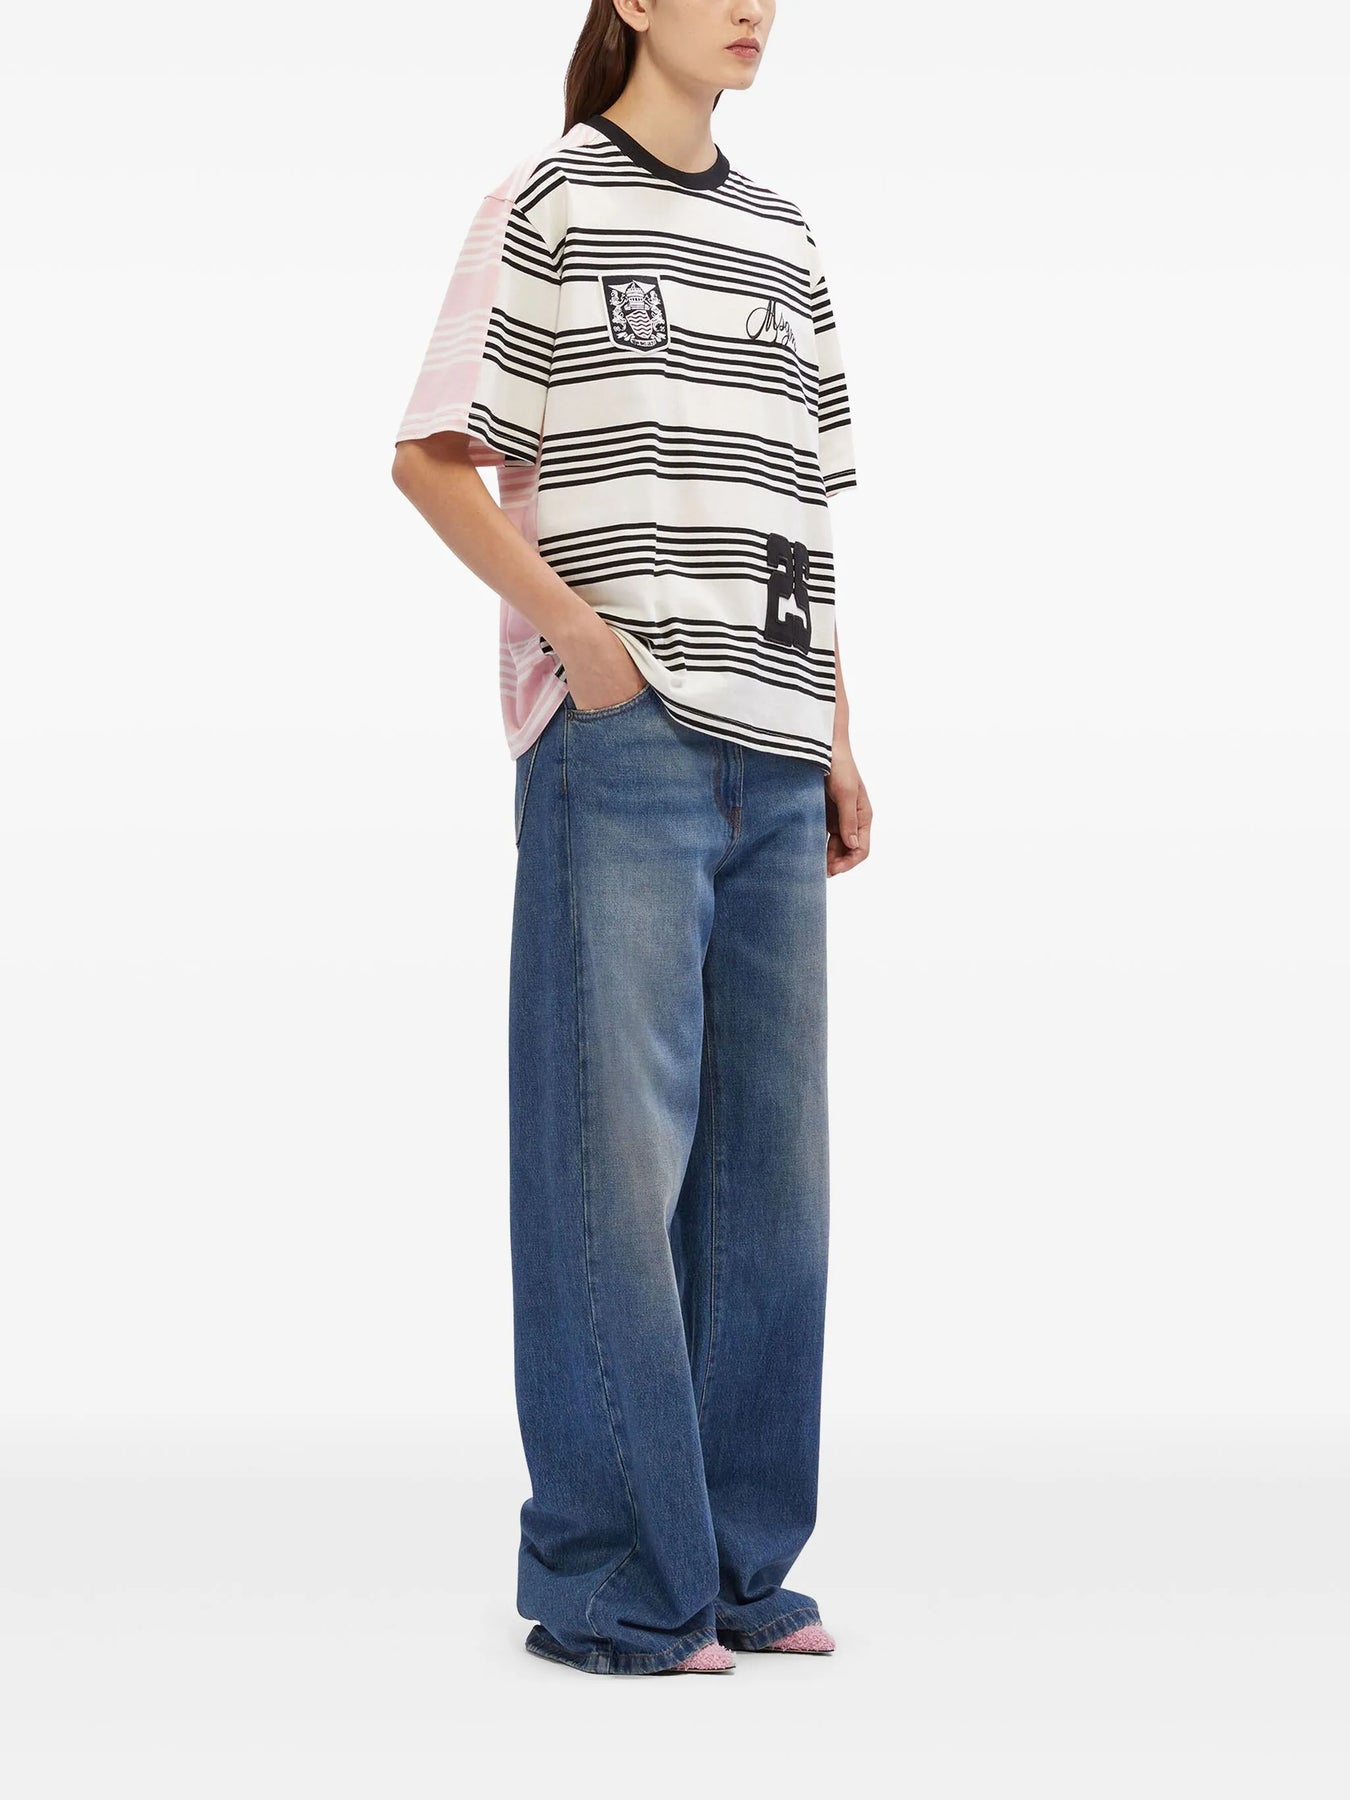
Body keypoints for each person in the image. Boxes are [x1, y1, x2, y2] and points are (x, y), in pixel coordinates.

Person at [390, 0, 872, 1677]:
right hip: (626, 743)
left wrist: (838, 731)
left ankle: (731, 1564)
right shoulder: (550, 200)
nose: (753, 8)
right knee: (612, 1166)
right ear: (631, 4)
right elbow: (430, 458)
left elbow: (794, 515)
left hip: (774, 748)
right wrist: (580, 639)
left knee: (770, 1182)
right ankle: (608, 1576)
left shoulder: (783, 236)